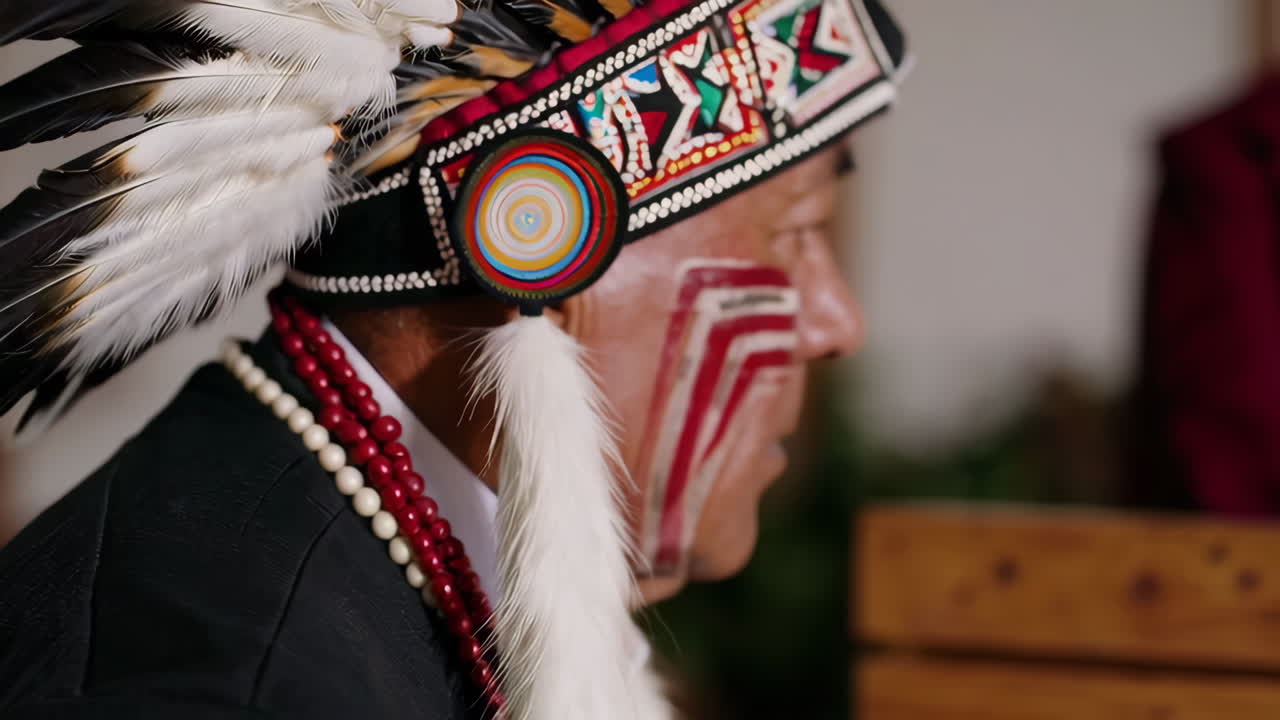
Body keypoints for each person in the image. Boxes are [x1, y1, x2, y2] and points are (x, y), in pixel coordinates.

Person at [0, 1, 907, 718]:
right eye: (798, 231)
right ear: (544, 232)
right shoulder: (224, 686)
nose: (837, 320)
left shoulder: (358, 562)